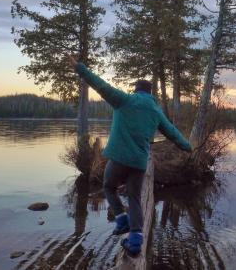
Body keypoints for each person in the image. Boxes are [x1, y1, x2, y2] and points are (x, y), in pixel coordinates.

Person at [67, 56, 192, 256]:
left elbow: (100, 84)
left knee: (108, 186)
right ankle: (135, 241)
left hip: (119, 158)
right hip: (140, 162)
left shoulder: (124, 100)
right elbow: (172, 132)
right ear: (150, 93)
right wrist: (187, 147)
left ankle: (122, 220)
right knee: (134, 198)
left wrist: (79, 68)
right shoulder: (156, 111)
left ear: (136, 90)